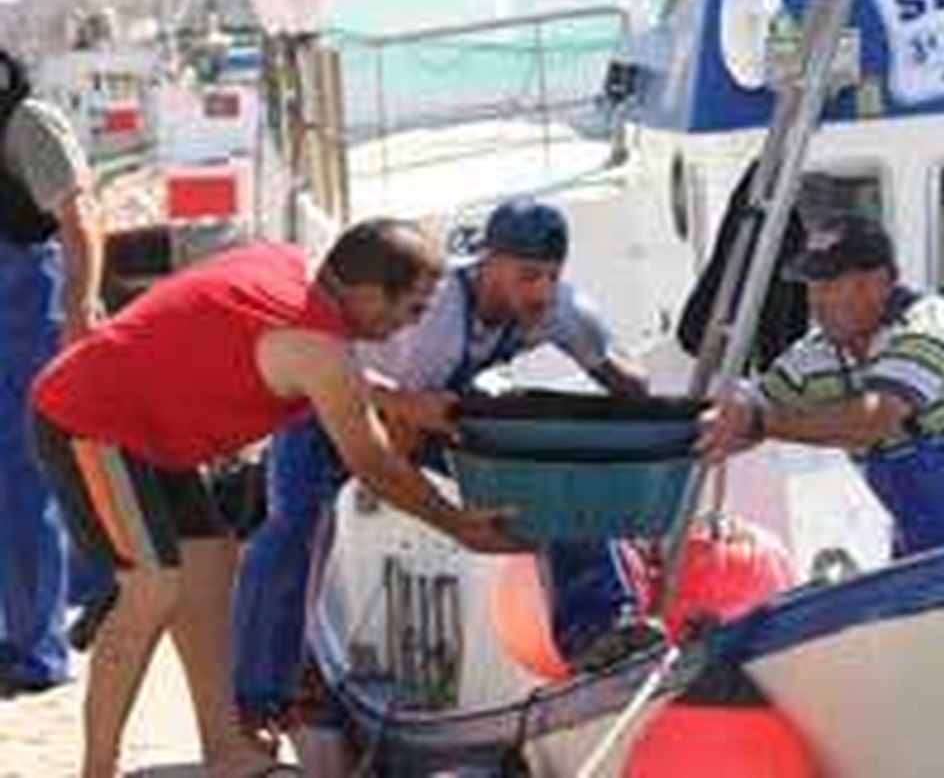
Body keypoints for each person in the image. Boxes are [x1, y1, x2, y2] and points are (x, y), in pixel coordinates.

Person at [29, 219, 521, 778]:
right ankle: (97, 768)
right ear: (366, 293)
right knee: (152, 589)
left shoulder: (296, 267)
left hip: (153, 428)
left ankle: (224, 750)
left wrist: (401, 401)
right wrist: (457, 523)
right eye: (412, 308)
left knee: (210, 569)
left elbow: (317, 365)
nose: (412, 323)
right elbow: (372, 461)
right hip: (89, 419)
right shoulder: (319, 349)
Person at [230, 199, 651, 734]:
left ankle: (597, 630)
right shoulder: (436, 316)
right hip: (332, 402)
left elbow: (630, 386)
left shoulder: (560, 310)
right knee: (296, 526)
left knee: (554, 473)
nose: (542, 292)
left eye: (552, 276)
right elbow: (393, 443)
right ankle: (260, 694)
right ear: (489, 263)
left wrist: (633, 441)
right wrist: (444, 516)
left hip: (425, 406)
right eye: (528, 276)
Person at [696, 213, 944, 557]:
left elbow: (878, 418)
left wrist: (760, 422)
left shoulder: (933, 324)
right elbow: (753, 406)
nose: (816, 301)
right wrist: (720, 424)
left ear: (877, 283)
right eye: (811, 287)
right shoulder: (814, 356)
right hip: (926, 547)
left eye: (829, 285)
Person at [0, 47, 107, 695]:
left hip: (29, 316)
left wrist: (79, 309)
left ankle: (38, 650)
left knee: (26, 480)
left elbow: (79, 217)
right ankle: (29, 629)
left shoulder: (27, 122)